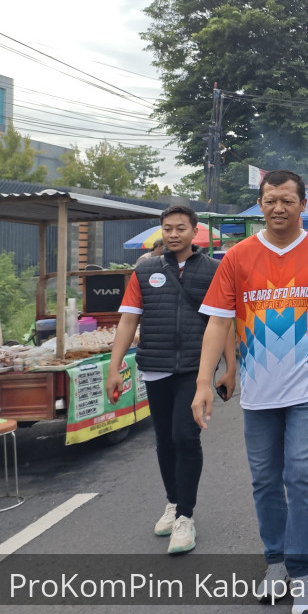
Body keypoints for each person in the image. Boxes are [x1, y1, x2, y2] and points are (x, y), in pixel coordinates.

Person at [192, 170, 308, 614]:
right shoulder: (237, 257)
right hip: (259, 391)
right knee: (264, 481)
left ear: (303, 205)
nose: (278, 207)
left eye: (287, 200)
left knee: (300, 475)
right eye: (270, 200)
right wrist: (206, 381)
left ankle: (302, 573)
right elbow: (219, 322)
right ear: (260, 204)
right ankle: (276, 561)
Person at [106, 206, 231, 555]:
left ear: (195, 232)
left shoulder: (213, 270)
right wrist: (114, 368)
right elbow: (129, 321)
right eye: (167, 228)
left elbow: (226, 323)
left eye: (180, 228)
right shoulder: (144, 270)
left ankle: (186, 517)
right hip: (155, 367)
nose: (173, 234)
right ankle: (173, 503)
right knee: (164, 441)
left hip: (195, 369)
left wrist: (230, 367)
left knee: (184, 437)